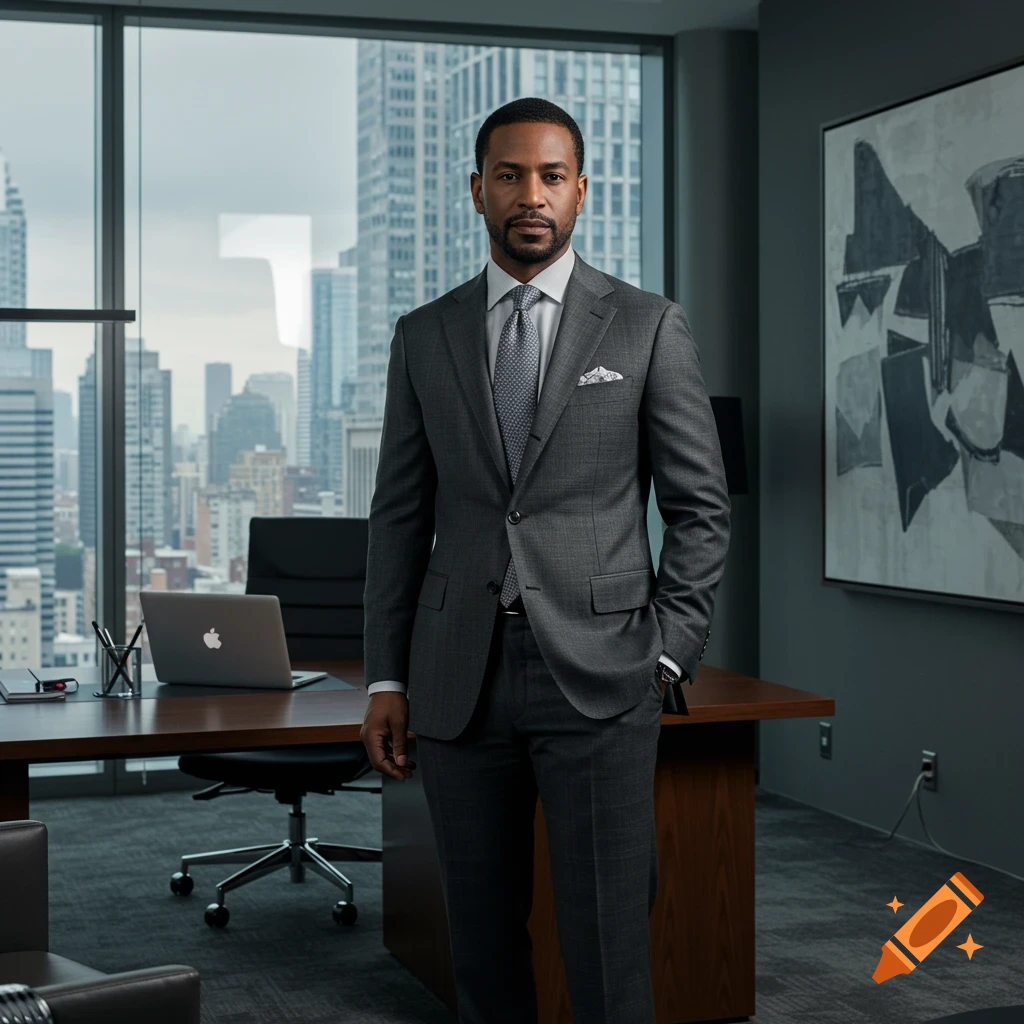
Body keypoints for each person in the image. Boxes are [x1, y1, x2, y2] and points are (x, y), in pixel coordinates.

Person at [361, 96, 730, 1024]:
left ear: (582, 192)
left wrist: (669, 651)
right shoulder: (425, 334)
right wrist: (384, 679)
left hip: (605, 676)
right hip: (458, 680)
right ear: (476, 191)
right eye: (511, 175)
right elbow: (398, 521)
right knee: (480, 947)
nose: (533, 194)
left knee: (608, 948)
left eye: (552, 176)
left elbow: (699, 509)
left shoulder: (647, 327)